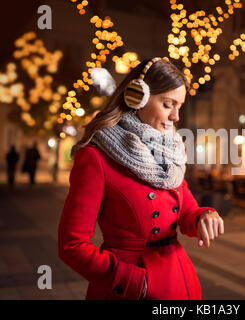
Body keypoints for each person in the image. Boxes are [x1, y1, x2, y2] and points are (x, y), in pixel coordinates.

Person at [58, 57, 224, 300]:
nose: (176, 116)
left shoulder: (170, 151)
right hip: (128, 288)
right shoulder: (96, 157)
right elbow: (72, 246)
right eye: (168, 104)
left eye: (179, 106)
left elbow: (186, 210)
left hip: (178, 281)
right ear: (139, 97)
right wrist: (132, 281)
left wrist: (203, 217)